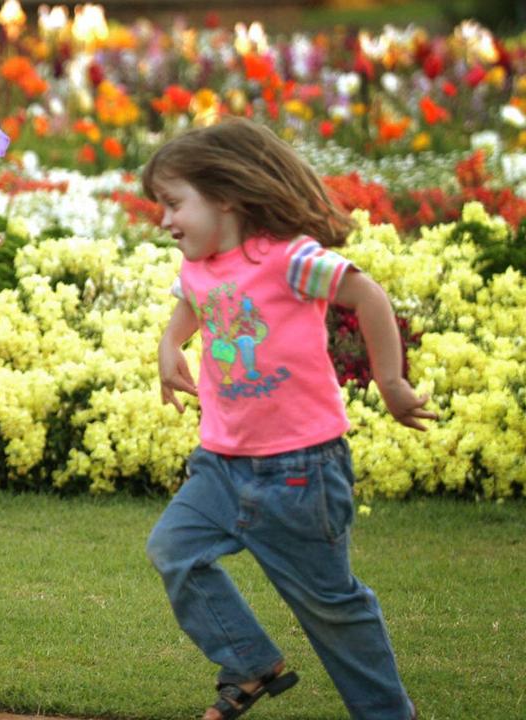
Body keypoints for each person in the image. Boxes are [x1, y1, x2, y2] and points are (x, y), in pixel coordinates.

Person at [143, 118, 435, 720]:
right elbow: (192, 300)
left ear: (225, 197)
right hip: (220, 464)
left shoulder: (288, 259)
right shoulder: (202, 261)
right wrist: (171, 346)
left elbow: (368, 294)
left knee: (331, 606)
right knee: (174, 549)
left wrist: (390, 381)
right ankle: (249, 662)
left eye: (174, 203)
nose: (164, 220)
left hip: (300, 470)